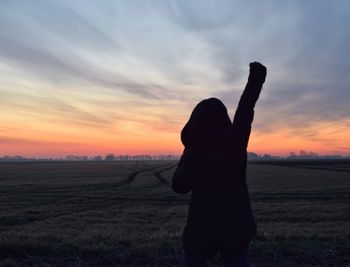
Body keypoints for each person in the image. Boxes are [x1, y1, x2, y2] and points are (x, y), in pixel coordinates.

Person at [172, 62, 267, 267]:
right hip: (237, 228)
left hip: (201, 230)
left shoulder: (194, 153)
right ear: (224, 120)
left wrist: (188, 148)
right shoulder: (235, 143)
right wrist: (256, 79)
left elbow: (179, 186)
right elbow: (245, 109)